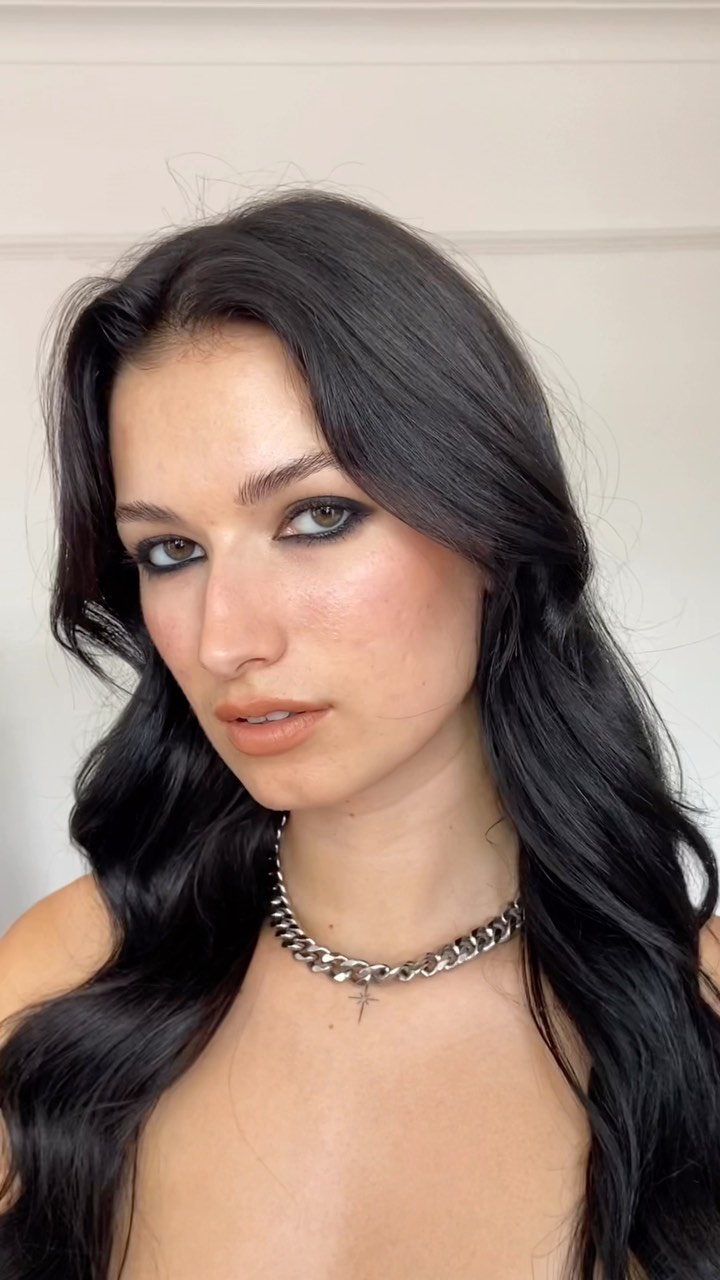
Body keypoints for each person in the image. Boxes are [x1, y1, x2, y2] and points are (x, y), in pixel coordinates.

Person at [1, 188, 719, 1280]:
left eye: (317, 517)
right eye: (170, 552)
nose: (225, 638)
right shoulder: (65, 978)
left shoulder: (694, 1019)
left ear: (487, 524)